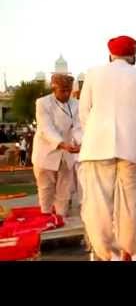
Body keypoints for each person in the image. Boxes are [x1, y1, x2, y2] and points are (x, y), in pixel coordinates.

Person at [78, 35, 136, 261]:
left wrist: (95, 134)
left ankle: (105, 254)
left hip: (97, 146)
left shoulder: (93, 73)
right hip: (130, 149)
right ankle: (126, 252)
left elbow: (84, 113)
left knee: (98, 202)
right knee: (130, 202)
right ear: (133, 55)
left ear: (110, 54)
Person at [31, 74, 82, 217]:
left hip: (67, 154)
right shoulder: (42, 103)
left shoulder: (76, 104)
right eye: (63, 91)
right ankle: (46, 217)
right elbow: (46, 128)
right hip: (47, 153)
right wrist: (61, 144)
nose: (66, 94)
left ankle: (61, 218)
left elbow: (78, 127)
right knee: (46, 189)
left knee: (64, 192)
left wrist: (80, 143)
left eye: (69, 90)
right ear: (54, 88)